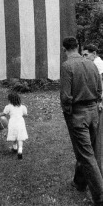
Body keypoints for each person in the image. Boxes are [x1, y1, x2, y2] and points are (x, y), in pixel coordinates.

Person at [60, 36, 103, 206]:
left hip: (78, 114)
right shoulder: (92, 63)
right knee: (88, 150)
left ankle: (100, 197)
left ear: (65, 49)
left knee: (86, 155)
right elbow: (100, 89)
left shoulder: (67, 65)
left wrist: (68, 111)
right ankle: (80, 182)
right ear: (77, 47)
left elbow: (65, 96)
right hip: (94, 113)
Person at [83, 44, 103, 175]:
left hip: (98, 104)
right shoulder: (94, 63)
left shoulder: (97, 64)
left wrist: (101, 101)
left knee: (97, 139)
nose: (84, 57)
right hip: (94, 102)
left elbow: (100, 83)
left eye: (86, 55)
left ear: (94, 53)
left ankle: (97, 171)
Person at [0, 91, 28, 160]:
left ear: (10, 100)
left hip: (12, 122)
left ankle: (15, 148)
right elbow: (25, 114)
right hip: (20, 122)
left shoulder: (8, 107)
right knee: (20, 137)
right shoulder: (22, 107)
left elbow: (4, 113)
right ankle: (20, 151)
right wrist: (24, 114)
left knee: (15, 135)